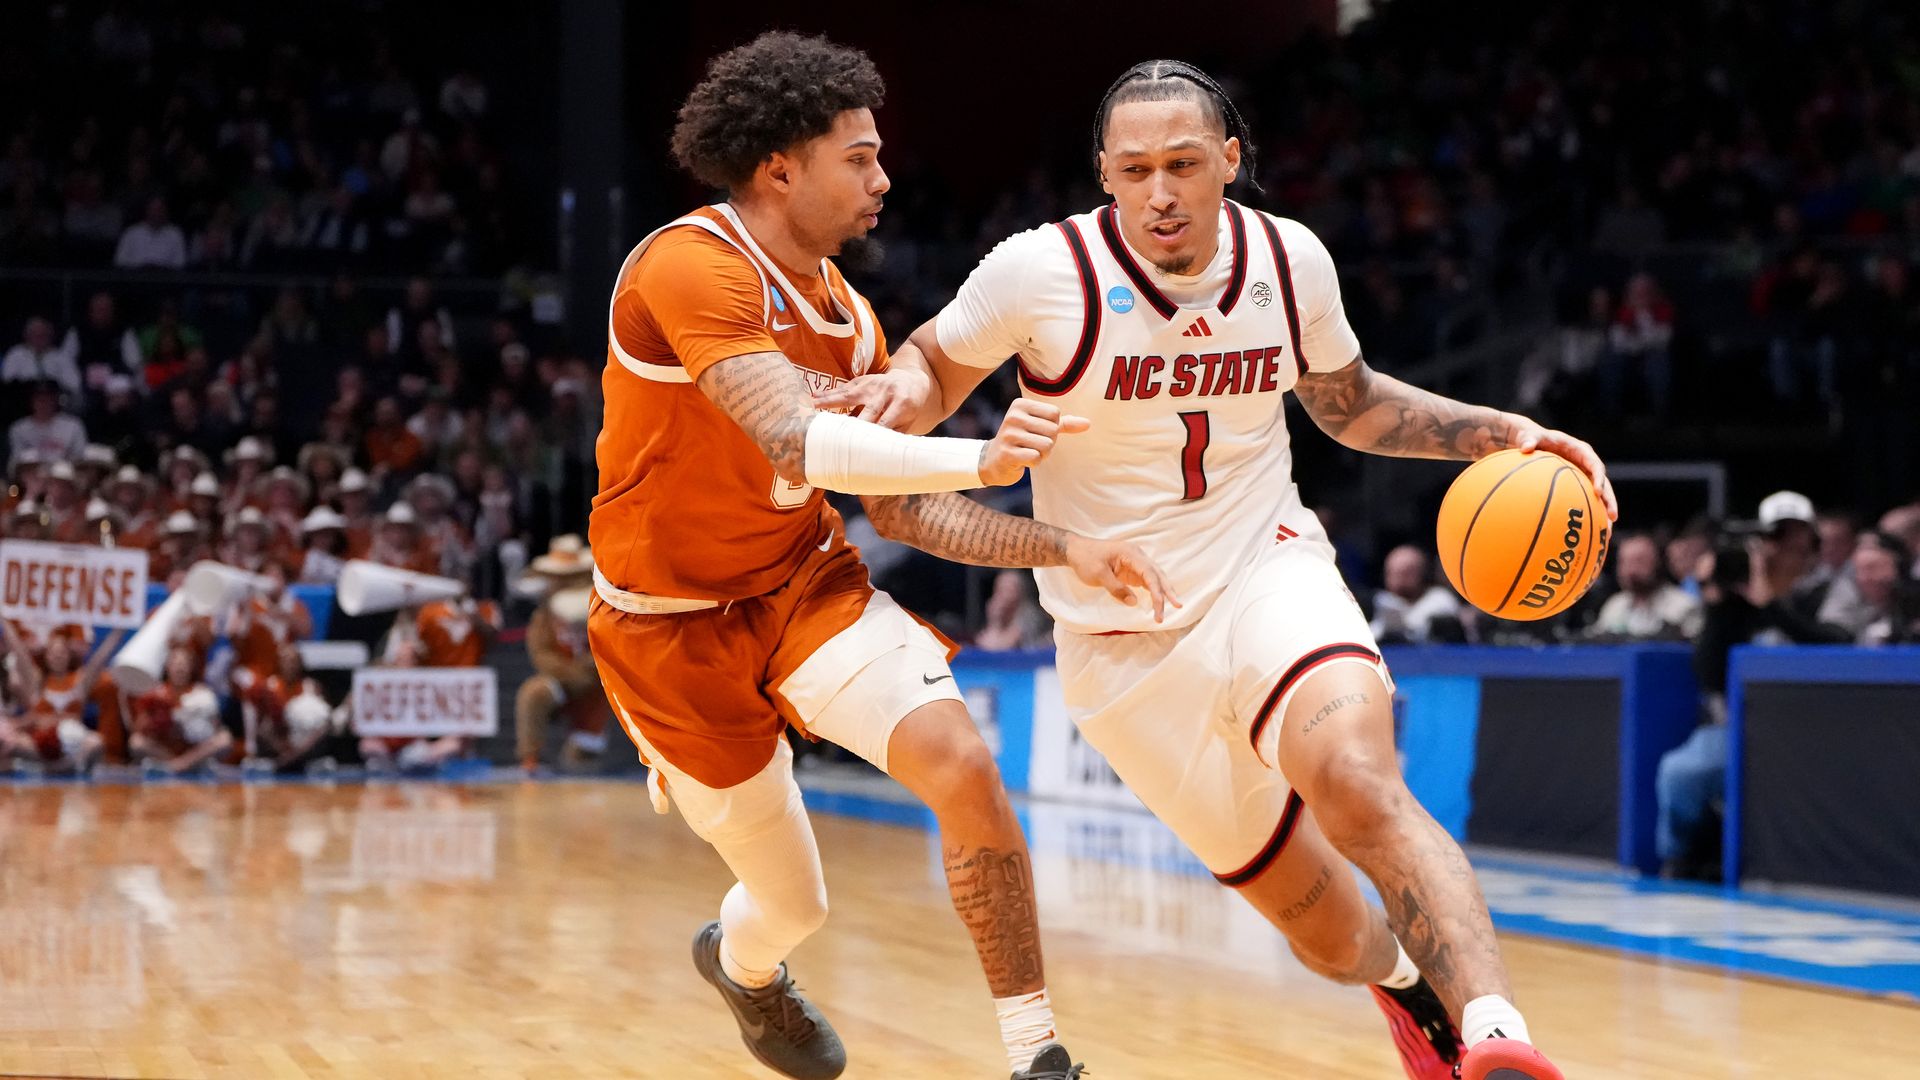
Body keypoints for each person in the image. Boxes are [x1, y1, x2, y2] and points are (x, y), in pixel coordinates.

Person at [823, 59, 1622, 1080]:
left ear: (1231, 162)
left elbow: (1349, 403)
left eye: (1186, 164)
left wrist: (1504, 431)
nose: (1162, 193)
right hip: (1122, 650)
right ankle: (1407, 991)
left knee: (1359, 781)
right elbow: (932, 367)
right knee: (1328, 935)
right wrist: (896, 393)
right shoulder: (1040, 271)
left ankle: (1500, 1037)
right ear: (1104, 175)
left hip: (1263, 570)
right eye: (1137, 169)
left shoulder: (1289, 262)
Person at [588, 33, 1171, 1080]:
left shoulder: (851, 321)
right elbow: (791, 436)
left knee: (963, 766)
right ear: (781, 168)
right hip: (668, 628)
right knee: (793, 903)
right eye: (858, 156)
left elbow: (897, 511)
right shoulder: (688, 265)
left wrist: (1063, 546)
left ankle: (1038, 1054)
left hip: (803, 583)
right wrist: (980, 455)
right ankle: (743, 966)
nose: (883, 178)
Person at [514, 535, 610, 771]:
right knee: (534, 693)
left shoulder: (601, 607)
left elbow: (609, 645)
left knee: (582, 756)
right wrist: (571, 674)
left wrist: (589, 670)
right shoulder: (545, 616)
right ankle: (530, 760)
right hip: (563, 679)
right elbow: (541, 653)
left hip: (599, 683)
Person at [1586, 532, 1702, 640]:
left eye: (1639, 561)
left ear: (1658, 563)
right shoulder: (1615, 606)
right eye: (1624, 562)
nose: (1631, 571)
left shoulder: (1684, 606)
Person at [1370, 545, 1465, 644]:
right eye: (1392, 573)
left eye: (1405, 573)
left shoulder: (1440, 599)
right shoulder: (1384, 601)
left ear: (1422, 573)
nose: (1397, 580)